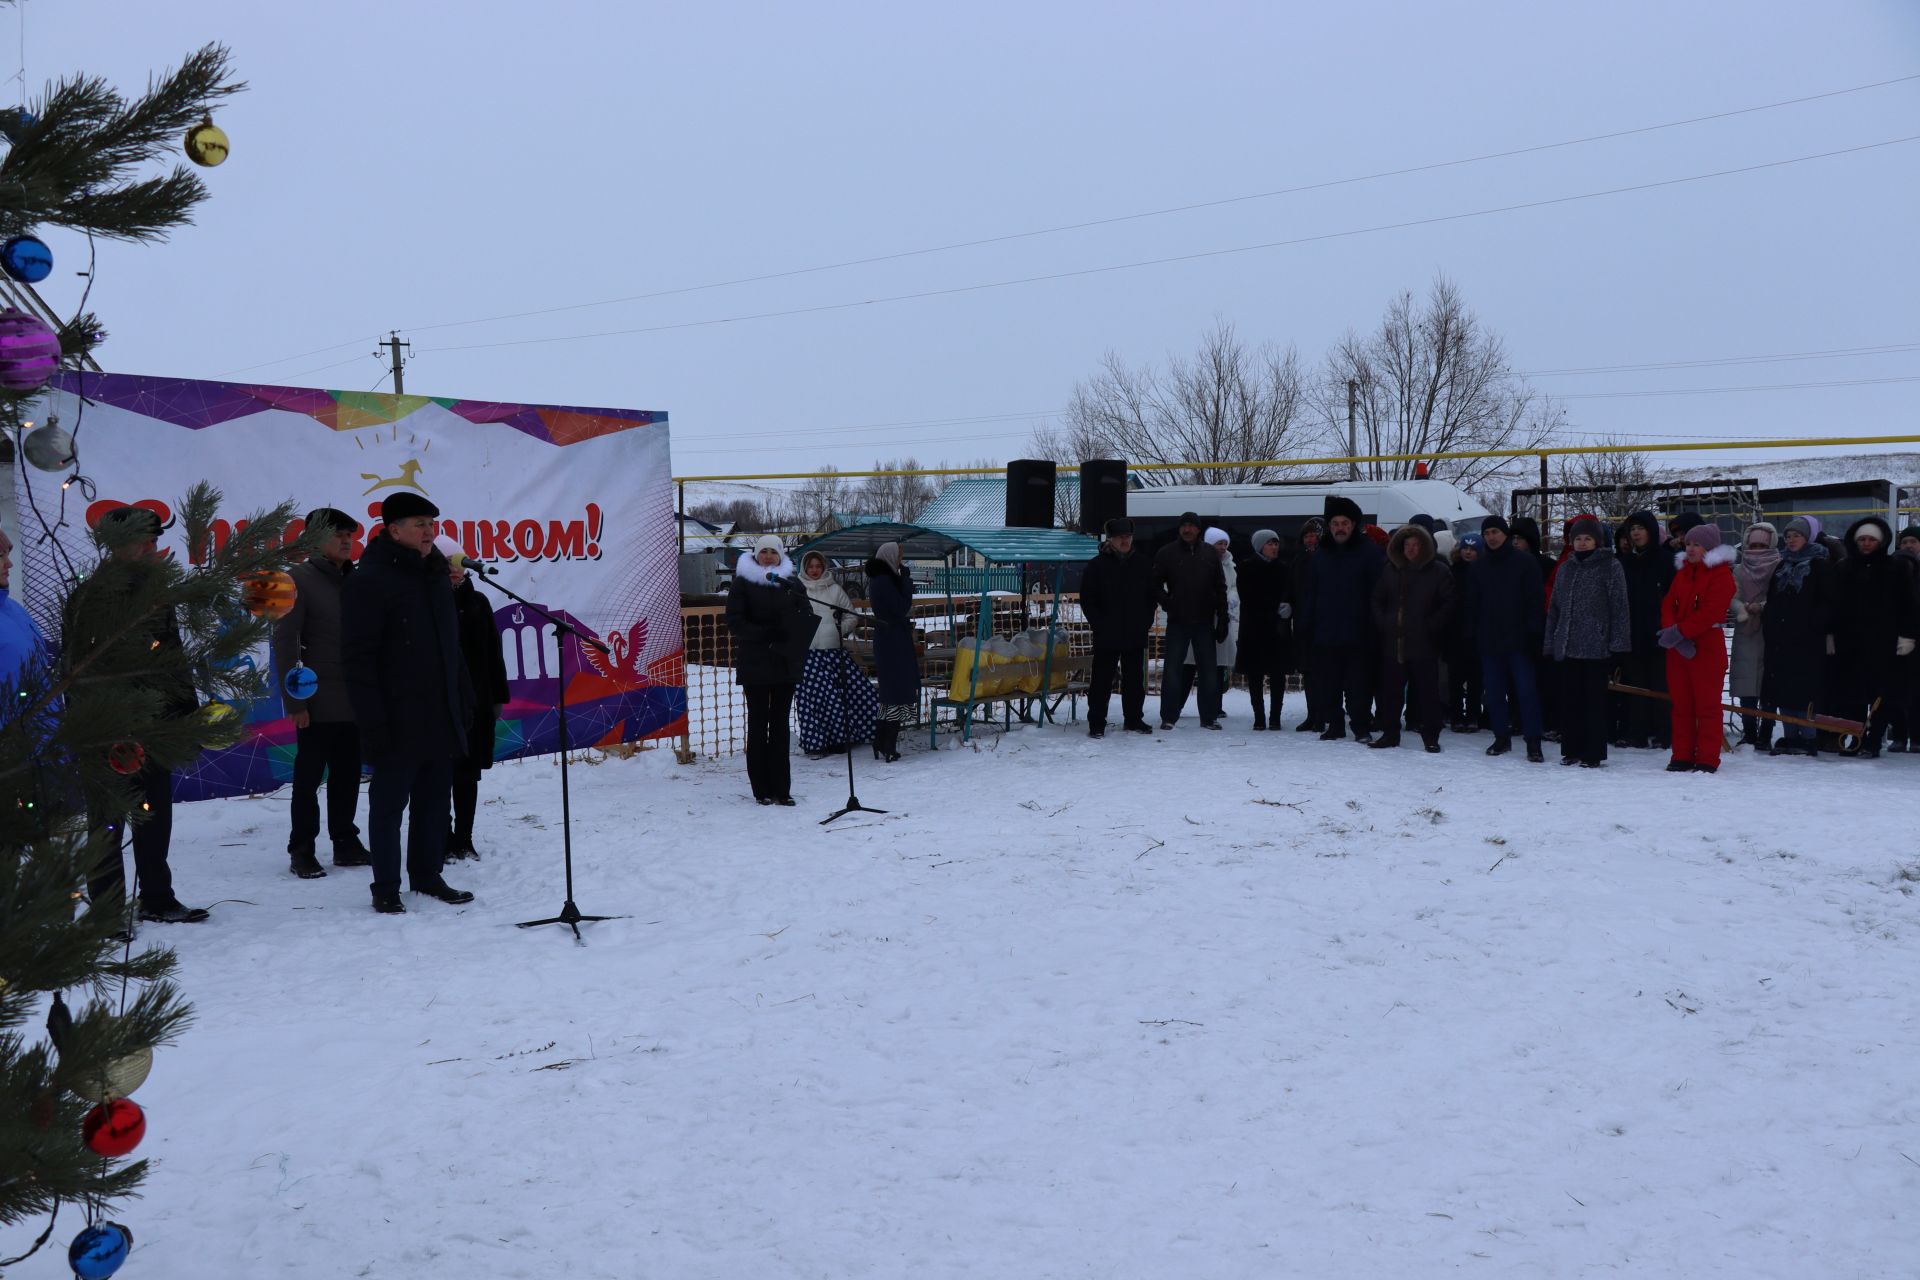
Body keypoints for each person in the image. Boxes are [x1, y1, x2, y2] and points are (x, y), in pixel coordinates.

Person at [69, 507, 208, 923]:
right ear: (116, 546)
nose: (153, 548)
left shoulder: (156, 593)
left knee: (155, 815)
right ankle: (108, 911)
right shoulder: (90, 597)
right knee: (108, 823)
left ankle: (157, 898)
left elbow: (174, 660)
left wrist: (187, 716)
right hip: (109, 729)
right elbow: (76, 672)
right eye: (144, 540)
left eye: (155, 539)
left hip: (158, 726)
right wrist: (99, 729)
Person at [342, 493, 476, 913]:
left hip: (438, 712)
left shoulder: (436, 573)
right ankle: (385, 885)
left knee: (435, 801)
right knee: (388, 805)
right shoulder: (371, 578)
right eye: (419, 524)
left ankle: (427, 874)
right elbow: (358, 658)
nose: (429, 532)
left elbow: (451, 648)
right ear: (393, 529)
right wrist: (373, 722)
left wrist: (463, 699)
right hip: (396, 715)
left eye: (432, 524)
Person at [272, 507, 370, 879]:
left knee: (348, 774)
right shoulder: (297, 580)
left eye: (350, 534)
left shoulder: (357, 579)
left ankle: (345, 841)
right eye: (337, 535)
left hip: (355, 698)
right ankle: (302, 849)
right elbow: (286, 643)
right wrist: (296, 700)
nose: (346, 541)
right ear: (314, 540)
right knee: (309, 778)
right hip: (316, 700)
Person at [725, 534, 815, 803]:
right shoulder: (743, 583)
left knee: (779, 726)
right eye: (763, 552)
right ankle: (761, 789)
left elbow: (805, 612)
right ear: (755, 554)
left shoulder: (790, 582)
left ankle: (782, 789)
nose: (767, 556)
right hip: (756, 663)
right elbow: (735, 621)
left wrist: (792, 632)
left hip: (783, 663)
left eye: (772, 552)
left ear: (781, 555)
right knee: (758, 725)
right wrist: (766, 633)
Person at [437, 536, 510, 857]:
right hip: (439, 706)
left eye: (458, 564)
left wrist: (496, 699)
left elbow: (494, 654)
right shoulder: (429, 602)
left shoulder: (478, 601)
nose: (455, 571)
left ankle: (464, 838)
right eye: (447, 564)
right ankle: (441, 836)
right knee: (439, 777)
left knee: (467, 776)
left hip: (476, 704)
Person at [1826, 516, 1920, 758]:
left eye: (1871, 539)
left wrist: (1907, 636)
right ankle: (1854, 737)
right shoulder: (1844, 568)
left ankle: (1874, 741)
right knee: (1851, 695)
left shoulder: (1897, 568)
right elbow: (1833, 605)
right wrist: (1830, 634)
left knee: (1881, 695)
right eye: (1862, 539)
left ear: (1881, 542)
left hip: (1884, 643)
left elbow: (1908, 604)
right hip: (1850, 642)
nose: (1866, 544)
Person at [1542, 515, 1631, 767]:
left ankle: (1592, 753)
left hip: (1597, 647)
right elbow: (1555, 609)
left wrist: (1618, 645)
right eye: (1577, 539)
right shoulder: (1566, 568)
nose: (1582, 543)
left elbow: (1620, 609)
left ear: (1597, 541)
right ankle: (1571, 749)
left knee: (1593, 704)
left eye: (1587, 538)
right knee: (1570, 701)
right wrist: (1551, 642)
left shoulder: (1610, 567)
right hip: (1568, 645)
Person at [1298, 496, 1384, 742]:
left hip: (1360, 633)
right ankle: (1335, 725)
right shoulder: (1321, 554)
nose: (1339, 528)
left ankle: (1360, 726)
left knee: (1359, 686)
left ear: (1354, 524)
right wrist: (1306, 625)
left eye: (1344, 523)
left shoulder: (1369, 553)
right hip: (1325, 633)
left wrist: (1374, 627)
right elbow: (1311, 592)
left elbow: (1378, 594)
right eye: (1335, 523)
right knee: (1328, 685)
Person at [1658, 523, 1738, 773]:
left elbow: (1711, 612)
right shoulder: (1682, 573)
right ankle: (1681, 754)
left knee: (1707, 706)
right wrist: (1675, 634)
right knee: (1681, 705)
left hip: (1706, 646)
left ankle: (1706, 758)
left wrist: (1680, 632)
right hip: (1679, 648)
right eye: (1688, 544)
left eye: (1696, 544)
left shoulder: (1721, 575)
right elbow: (1668, 605)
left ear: (1709, 548)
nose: (1690, 549)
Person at [1466, 515, 1545, 762]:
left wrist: (1534, 633)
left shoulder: (1525, 562)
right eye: (1487, 533)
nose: (1491, 537)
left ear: (1505, 534)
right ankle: (1501, 736)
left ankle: (1533, 741)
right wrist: (1472, 634)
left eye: (1495, 532)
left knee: (1526, 692)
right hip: (1490, 641)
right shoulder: (1479, 566)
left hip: (1519, 640)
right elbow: (1472, 605)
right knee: (1495, 693)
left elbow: (1535, 601)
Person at [1367, 523, 1452, 751]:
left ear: (1424, 546)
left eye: (1416, 545)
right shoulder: (1390, 569)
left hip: (1424, 642)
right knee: (1391, 693)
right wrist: (1384, 622)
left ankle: (1431, 736)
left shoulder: (1438, 571)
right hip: (1394, 642)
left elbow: (1449, 603)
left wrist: (1432, 625)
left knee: (1427, 693)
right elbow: (1377, 599)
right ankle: (1390, 734)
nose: (1412, 549)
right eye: (1407, 545)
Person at [1078, 518, 1156, 738]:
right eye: (1121, 537)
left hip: (1135, 632)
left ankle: (1133, 719)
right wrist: (1099, 624)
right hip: (1107, 634)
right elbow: (1088, 600)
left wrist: (1145, 621)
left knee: (1134, 681)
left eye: (1128, 537)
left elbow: (1151, 596)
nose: (1125, 541)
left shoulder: (1142, 563)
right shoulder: (1096, 566)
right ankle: (1097, 723)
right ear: (1110, 540)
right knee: (1101, 681)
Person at [1761, 516, 1832, 757]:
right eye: (1788, 536)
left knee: (1805, 690)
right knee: (1784, 689)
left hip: (1807, 640)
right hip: (1781, 640)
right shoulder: (1782, 566)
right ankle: (1790, 735)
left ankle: (1809, 737)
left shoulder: (1820, 565)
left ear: (1808, 537)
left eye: (1796, 536)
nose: (1791, 540)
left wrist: (1811, 625)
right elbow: (1772, 600)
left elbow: (1827, 603)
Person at [795, 550, 877, 758]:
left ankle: (841, 739)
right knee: (812, 700)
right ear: (805, 568)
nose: (814, 570)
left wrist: (838, 630)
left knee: (840, 697)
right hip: (808, 654)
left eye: (818, 566)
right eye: (810, 567)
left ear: (823, 567)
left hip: (833, 652)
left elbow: (851, 615)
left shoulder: (835, 590)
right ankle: (815, 743)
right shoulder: (796, 590)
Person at [1152, 512, 1228, 730]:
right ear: (1179, 529)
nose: (1187, 530)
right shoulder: (1166, 553)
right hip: (1178, 621)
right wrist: (1168, 602)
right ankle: (1168, 716)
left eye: (1191, 526)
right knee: (1172, 671)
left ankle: (1209, 716)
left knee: (1209, 671)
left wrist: (1222, 617)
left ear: (1198, 529)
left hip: (1204, 621)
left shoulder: (1210, 554)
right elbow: (1154, 584)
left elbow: (1220, 587)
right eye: (1184, 526)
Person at [1615, 511, 1675, 750]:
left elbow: (1673, 597)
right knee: (1635, 686)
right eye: (1632, 529)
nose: (1636, 533)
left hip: (1660, 633)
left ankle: (1664, 733)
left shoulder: (1666, 560)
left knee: (1661, 686)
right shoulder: (1625, 562)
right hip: (1632, 633)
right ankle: (1636, 733)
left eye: (1640, 528)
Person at [865, 540, 921, 762]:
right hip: (892, 641)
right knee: (894, 693)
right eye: (898, 557)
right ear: (889, 557)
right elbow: (900, 607)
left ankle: (882, 740)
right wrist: (906, 582)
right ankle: (886, 743)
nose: (900, 561)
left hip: (893, 639)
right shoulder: (883, 581)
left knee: (892, 694)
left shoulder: (883, 580)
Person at [1727, 522, 1780, 750]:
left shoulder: (1780, 566)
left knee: (1769, 685)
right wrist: (1741, 608)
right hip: (1745, 629)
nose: (1757, 548)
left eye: (1762, 544)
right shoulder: (1739, 569)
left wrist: (1764, 606)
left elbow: (1782, 597)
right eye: (1754, 544)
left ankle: (1765, 735)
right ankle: (1749, 733)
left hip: (1772, 631)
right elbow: (1731, 594)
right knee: (1746, 683)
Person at [1234, 528, 1292, 731]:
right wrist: (1270, 608)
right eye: (1270, 543)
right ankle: (1259, 716)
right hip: (1254, 628)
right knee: (1255, 674)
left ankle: (1275, 717)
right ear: (1260, 546)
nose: (1274, 547)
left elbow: (1289, 593)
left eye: (1276, 543)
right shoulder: (1247, 567)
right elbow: (1247, 597)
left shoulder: (1284, 568)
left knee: (1278, 674)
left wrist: (1288, 607)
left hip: (1277, 629)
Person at [1196, 527, 1239, 713]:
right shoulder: (1201, 562)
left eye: (1224, 544)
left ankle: (1216, 706)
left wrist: (1232, 597)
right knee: (1201, 667)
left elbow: (1235, 586)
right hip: (1204, 619)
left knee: (1220, 665)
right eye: (1218, 544)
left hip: (1223, 619)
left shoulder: (1230, 564)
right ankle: (1193, 705)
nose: (1222, 547)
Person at [1446, 534, 1484, 733]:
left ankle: (1473, 715)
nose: (1468, 552)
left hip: (1478, 633)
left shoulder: (1485, 572)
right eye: (1465, 548)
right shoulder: (1452, 572)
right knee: (1455, 678)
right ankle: (1456, 715)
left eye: (1473, 549)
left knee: (1476, 679)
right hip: (1456, 632)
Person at [1289, 517, 1325, 731]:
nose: (1310, 539)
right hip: (1303, 623)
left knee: (1323, 672)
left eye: (1313, 535)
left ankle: (1323, 715)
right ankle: (1312, 714)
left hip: (1322, 622)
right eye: (1307, 535)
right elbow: (1291, 587)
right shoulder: (1298, 560)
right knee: (1308, 673)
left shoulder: (1326, 557)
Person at [1891, 525, 1920, 752]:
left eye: (1913, 541)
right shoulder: (1893, 570)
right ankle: (1899, 735)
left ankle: (1917, 737)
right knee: (1896, 689)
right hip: (1894, 638)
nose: (1909, 545)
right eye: (1905, 541)